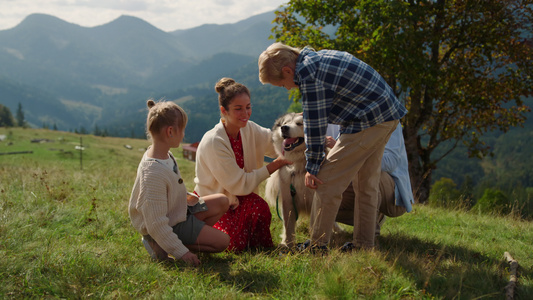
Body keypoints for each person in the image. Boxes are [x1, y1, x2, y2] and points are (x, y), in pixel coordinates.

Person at [258, 42, 407, 251]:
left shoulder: (310, 77)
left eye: (283, 84)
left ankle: (318, 246)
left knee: (325, 180)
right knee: (366, 183)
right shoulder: (318, 59)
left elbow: (315, 127)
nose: (289, 88)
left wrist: (313, 166)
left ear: (287, 70)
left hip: (367, 121)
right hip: (385, 115)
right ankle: (364, 245)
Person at [193, 78, 292, 252]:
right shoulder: (214, 141)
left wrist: (300, 133)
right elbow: (239, 185)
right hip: (215, 205)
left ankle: (259, 247)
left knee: (258, 207)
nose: (245, 113)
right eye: (238, 109)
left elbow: (274, 142)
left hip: (240, 199)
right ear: (224, 111)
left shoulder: (249, 128)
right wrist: (275, 164)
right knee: (236, 239)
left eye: (248, 107)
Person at [129, 99, 230, 266]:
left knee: (222, 201)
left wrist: (186, 197)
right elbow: (156, 223)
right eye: (182, 130)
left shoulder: (165, 155)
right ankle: (160, 244)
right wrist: (183, 254)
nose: (183, 135)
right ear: (170, 132)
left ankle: (182, 237)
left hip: (179, 212)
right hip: (169, 224)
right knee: (223, 241)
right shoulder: (153, 173)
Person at [332, 122, 414, 248]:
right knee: (320, 187)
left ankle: (367, 240)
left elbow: (391, 162)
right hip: (349, 180)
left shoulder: (387, 115)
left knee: (367, 171)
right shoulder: (330, 118)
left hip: (390, 191)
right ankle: (370, 219)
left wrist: (345, 154)